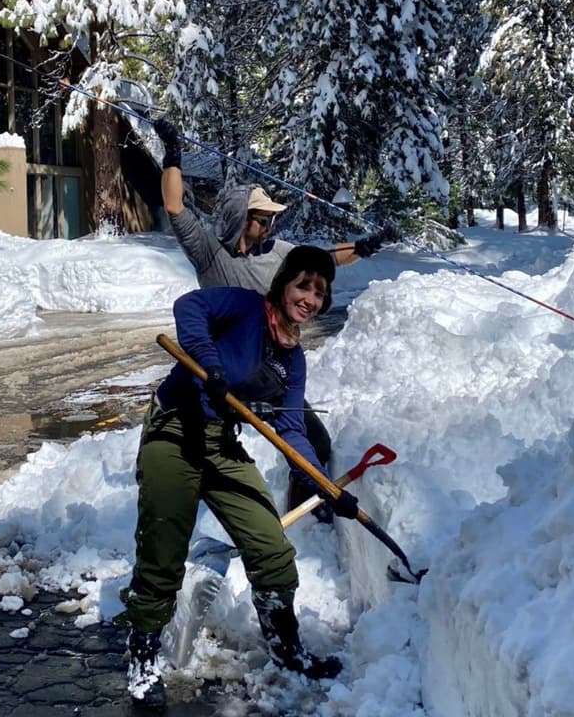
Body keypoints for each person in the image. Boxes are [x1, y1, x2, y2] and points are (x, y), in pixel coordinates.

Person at [123, 246, 361, 708]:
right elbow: (189, 307)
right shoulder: (246, 307)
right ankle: (142, 658)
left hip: (220, 443)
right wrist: (209, 363)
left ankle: (287, 650)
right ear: (284, 284)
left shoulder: (293, 360)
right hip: (175, 429)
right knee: (163, 548)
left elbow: (291, 429)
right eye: (303, 286)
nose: (310, 299)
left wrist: (324, 486)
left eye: (319, 293)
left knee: (271, 547)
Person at [153, 118, 399, 520]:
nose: (270, 226)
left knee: (314, 439)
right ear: (241, 218)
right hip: (222, 371)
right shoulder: (210, 253)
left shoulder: (279, 253)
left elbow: (324, 259)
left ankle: (305, 503)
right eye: (262, 219)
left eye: (271, 220)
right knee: (204, 454)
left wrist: (366, 246)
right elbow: (175, 206)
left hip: (269, 371)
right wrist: (172, 155)